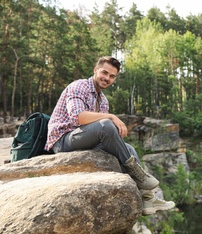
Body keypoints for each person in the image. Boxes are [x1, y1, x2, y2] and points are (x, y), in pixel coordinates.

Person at [45, 56, 175, 215]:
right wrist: (112, 117)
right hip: (63, 140)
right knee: (106, 124)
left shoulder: (103, 100)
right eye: (104, 73)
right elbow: (78, 117)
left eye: (112, 76)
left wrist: (110, 123)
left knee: (128, 148)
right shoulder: (79, 86)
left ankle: (148, 199)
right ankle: (139, 175)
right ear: (95, 70)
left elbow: (99, 131)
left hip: (83, 139)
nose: (107, 78)